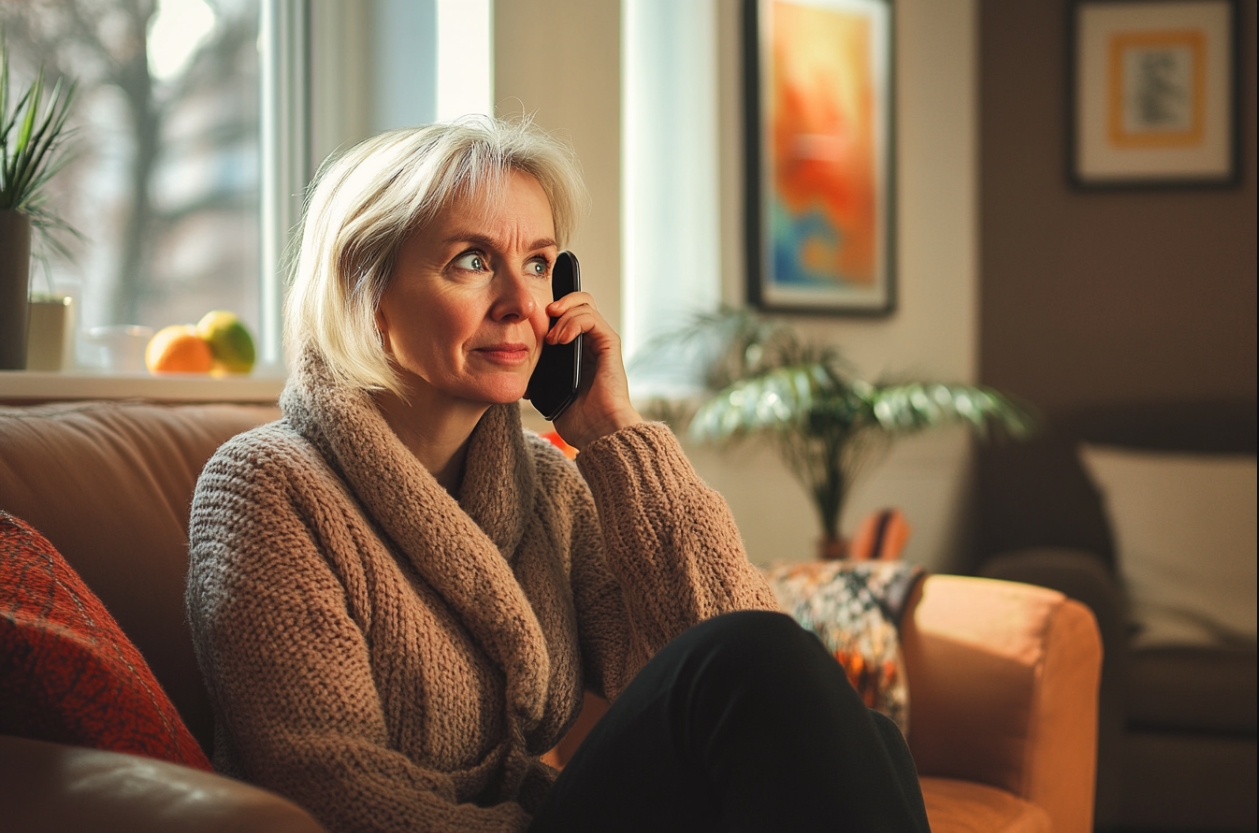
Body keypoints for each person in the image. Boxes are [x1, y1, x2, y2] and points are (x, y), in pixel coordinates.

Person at [186, 117, 931, 833]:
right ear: (367, 291)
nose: (521, 304)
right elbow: (334, 795)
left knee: (869, 737)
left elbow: (724, 656)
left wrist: (615, 436)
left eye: (539, 264)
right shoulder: (264, 488)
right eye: (472, 261)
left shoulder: (545, 487)